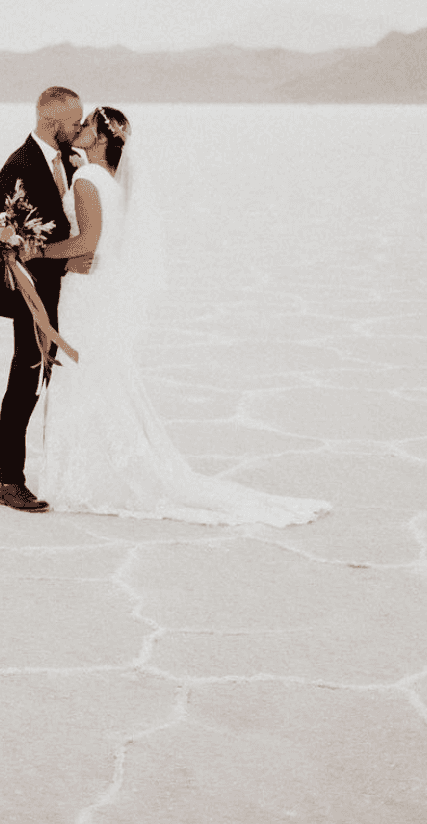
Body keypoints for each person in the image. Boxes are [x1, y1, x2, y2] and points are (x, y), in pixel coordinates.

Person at [36, 106, 331, 526]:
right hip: (102, 289)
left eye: (87, 125)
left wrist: (35, 251)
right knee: (100, 373)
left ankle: (84, 475)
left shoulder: (87, 179)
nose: (79, 128)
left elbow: (88, 241)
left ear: (101, 137)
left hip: (85, 290)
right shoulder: (112, 181)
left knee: (82, 372)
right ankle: (94, 466)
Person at [0, 86, 89, 512]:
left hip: (69, 292)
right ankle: (10, 481)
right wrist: (64, 259)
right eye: (74, 122)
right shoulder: (18, 167)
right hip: (32, 294)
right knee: (25, 382)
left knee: (51, 382)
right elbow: (11, 244)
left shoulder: (68, 159)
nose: (79, 128)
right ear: (52, 122)